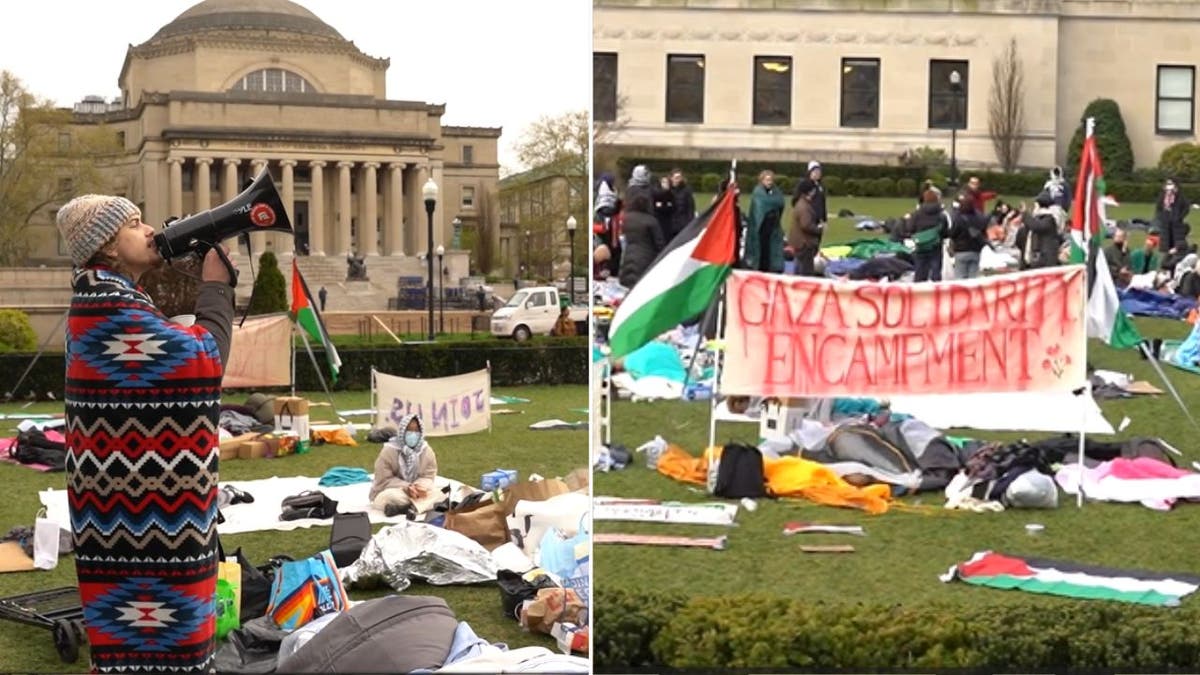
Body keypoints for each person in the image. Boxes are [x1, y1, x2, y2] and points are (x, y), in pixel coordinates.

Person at [58, 194, 235, 673]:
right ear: (109, 248)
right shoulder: (107, 304)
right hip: (141, 517)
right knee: (159, 646)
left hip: (129, 511)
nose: (151, 229)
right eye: (135, 224)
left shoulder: (110, 298)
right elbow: (206, 360)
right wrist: (216, 288)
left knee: (140, 643)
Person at [370, 414, 439, 519]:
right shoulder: (389, 450)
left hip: (418, 492)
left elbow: (429, 475)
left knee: (441, 493)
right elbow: (383, 479)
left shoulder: (426, 451)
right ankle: (417, 506)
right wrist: (406, 487)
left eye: (416, 431)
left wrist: (418, 487)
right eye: (410, 430)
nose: (413, 434)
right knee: (388, 497)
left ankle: (405, 508)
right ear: (402, 431)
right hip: (394, 490)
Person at [618, 192, 665, 289]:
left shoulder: (627, 219)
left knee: (629, 284)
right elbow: (659, 243)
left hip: (628, 255)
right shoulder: (651, 221)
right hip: (647, 258)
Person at [744, 170, 786, 273]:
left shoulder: (776, 192)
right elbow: (763, 204)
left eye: (771, 180)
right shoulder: (758, 192)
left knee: (771, 250)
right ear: (762, 180)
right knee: (760, 249)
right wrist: (772, 204)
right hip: (760, 227)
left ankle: (771, 268)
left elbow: (780, 202)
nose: (769, 182)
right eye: (767, 180)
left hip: (772, 227)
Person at [905, 189, 949, 282]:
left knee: (920, 270)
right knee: (936, 270)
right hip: (936, 245)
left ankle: (919, 291)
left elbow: (910, 228)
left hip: (921, 245)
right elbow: (945, 232)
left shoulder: (917, 214)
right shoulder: (941, 215)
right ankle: (936, 290)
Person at [1015, 191, 1065, 270]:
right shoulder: (1033, 220)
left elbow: (1037, 226)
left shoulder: (1049, 219)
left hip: (1044, 261)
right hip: (1031, 260)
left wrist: (1025, 214)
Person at [948, 190, 988, 279]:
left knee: (960, 278)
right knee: (973, 279)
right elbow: (983, 231)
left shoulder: (958, 218)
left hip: (961, 250)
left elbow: (953, 233)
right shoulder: (979, 217)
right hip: (975, 250)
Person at [788, 178, 823, 276]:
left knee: (799, 268)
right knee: (805, 271)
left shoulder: (800, 204)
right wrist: (819, 229)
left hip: (799, 243)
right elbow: (806, 225)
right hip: (805, 243)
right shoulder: (804, 207)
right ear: (810, 191)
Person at [1155, 178, 1191, 258]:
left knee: (1177, 243)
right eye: (1167, 184)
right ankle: (1166, 259)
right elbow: (1158, 208)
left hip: (1176, 224)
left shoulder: (1180, 196)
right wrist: (1161, 217)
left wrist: (1180, 217)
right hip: (1165, 224)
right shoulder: (1162, 196)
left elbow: (1186, 207)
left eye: (1171, 184)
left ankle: (1176, 257)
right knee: (1165, 245)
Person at [793, 160, 827, 230]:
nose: (818, 173)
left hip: (818, 219)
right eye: (815, 171)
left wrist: (824, 219)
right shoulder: (804, 184)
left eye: (819, 171)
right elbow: (795, 200)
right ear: (810, 172)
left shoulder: (820, 186)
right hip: (807, 217)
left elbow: (822, 203)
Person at [668, 168, 696, 242]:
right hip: (670, 223)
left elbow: (690, 207)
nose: (678, 180)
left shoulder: (687, 190)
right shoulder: (668, 190)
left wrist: (690, 222)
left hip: (683, 223)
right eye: (676, 178)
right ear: (671, 178)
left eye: (680, 177)